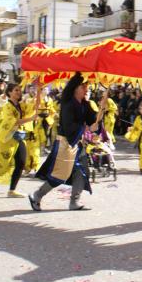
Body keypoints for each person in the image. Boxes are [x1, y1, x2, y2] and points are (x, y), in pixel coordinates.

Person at [29, 73, 101, 211]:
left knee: (82, 172)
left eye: (87, 86)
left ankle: (74, 201)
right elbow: (69, 127)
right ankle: (37, 195)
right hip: (66, 143)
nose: (86, 89)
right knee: (59, 175)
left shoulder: (84, 104)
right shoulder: (68, 104)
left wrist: (98, 121)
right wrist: (86, 127)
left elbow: (93, 119)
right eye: (83, 86)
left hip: (78, 144)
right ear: (75, 88)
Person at [0, 84, 40, 198]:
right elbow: (14, 122)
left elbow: (34, 106)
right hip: (8, 139)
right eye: (16, 90)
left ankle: (12, 190)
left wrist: (39, 91)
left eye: (20, 90)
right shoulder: (7, 107)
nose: (19, 92)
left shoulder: (20, 105)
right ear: (9, 92)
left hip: (19, 138)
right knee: (2, 164)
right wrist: (31, 119)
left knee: (21, 163)